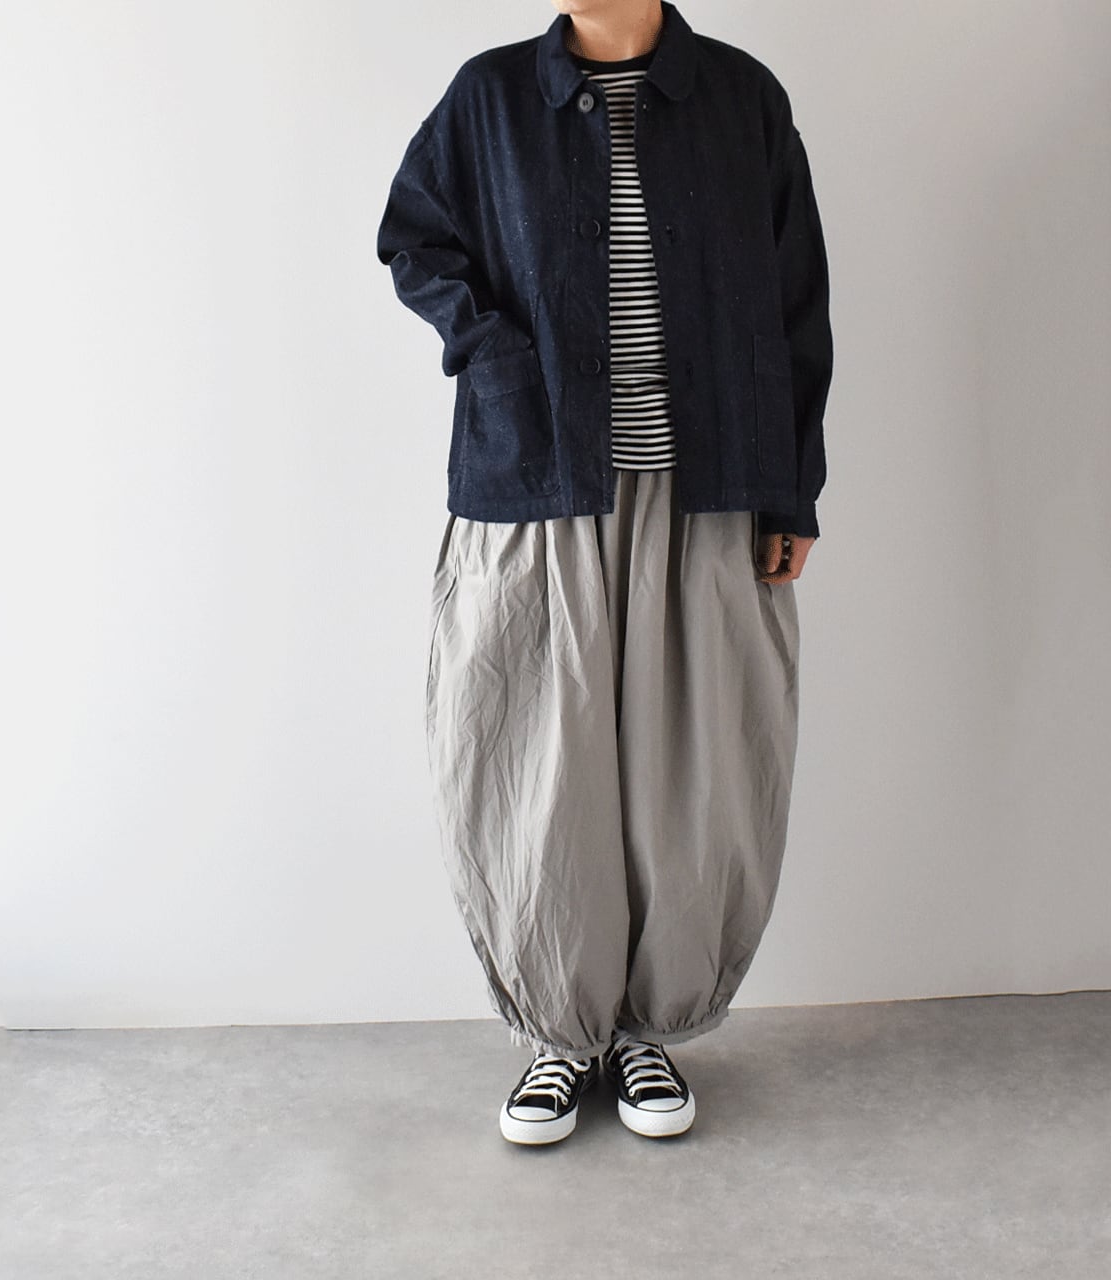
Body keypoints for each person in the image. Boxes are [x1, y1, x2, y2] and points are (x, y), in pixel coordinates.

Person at [376, 0, 832, 1145]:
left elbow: (796, 304)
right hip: (538, 479)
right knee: (537, 766)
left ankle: (645, 1031)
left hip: (708, 484)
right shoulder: (489, 97)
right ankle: (556, 1032)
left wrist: (793, 489)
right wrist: (490, 355)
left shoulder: (740, 98)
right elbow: (413, 238)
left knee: (691, 773)